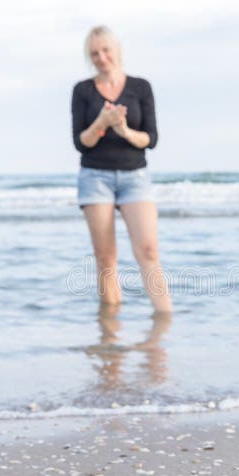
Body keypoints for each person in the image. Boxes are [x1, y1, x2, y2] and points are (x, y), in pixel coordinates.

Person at [71, 26, 171, 313]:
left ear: (117, 50)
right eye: (94, 53)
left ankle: (164, 320)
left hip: (135, 176)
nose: (101, 57)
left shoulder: (140, 87)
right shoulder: (83, 91)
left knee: (149, 251)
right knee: (105, 258)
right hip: (95, 177)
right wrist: (101, 122)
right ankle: (110, 333)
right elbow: (81, 143)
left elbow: (150, 140)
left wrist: (124, 129)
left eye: (105, 50)